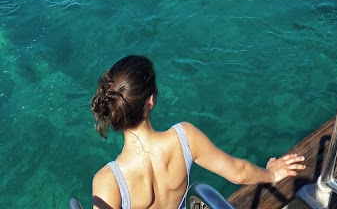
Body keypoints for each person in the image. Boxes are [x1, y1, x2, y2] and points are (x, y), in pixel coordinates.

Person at [90, 55, 306, 209]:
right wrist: (272, 174)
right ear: (151, 100)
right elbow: (238, 172)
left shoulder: (108, 181)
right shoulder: (185, 137)